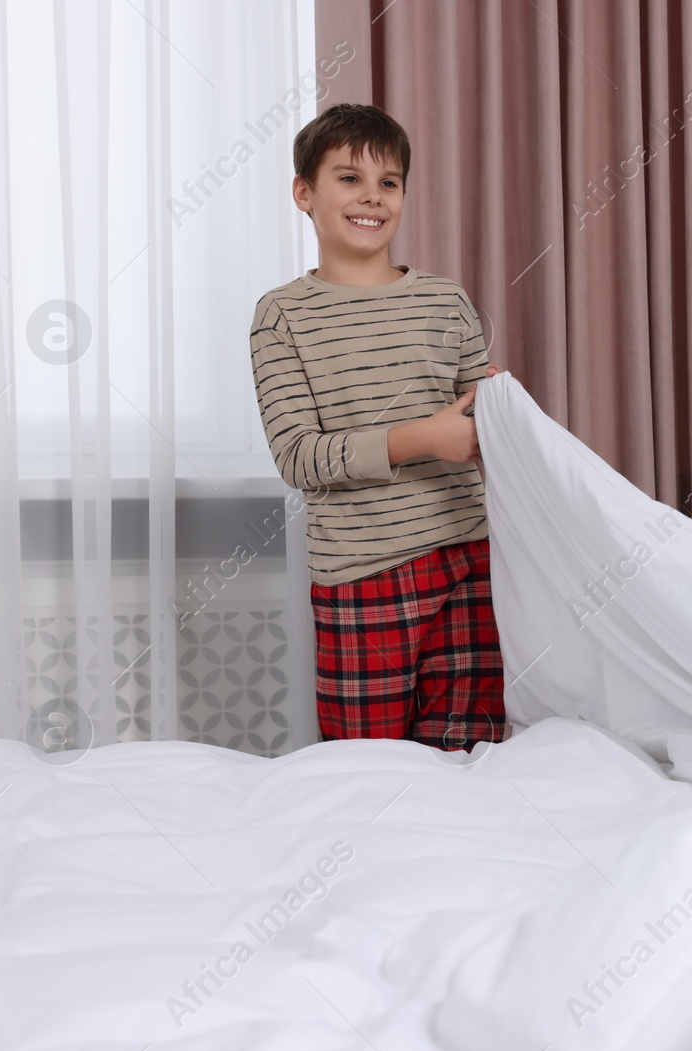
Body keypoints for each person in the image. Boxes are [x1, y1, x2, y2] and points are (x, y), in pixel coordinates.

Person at [249, 102, 505, 751]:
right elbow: (299, 457)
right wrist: (423, 437)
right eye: (349, 178)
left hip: (466, 561)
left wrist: (498, 413)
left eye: (388, 182)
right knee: (368, 767)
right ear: (304, 193)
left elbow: (481, 420)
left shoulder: (445, 300)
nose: (372, 197)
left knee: (468, 754)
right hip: (361, 575)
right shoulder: (282, 315)